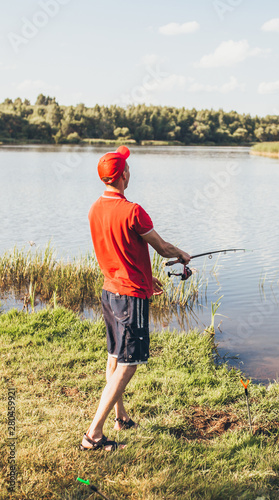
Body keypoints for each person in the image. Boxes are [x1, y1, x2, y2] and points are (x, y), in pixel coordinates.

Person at [80, 146, 191, 451]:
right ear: (123, 175)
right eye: (127, 166)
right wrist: (181, 254)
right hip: (130, 298)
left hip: (111, 290)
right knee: (129, 364)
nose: (130, 170)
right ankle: (94, 435)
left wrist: (145, 276)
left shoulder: (94, 208)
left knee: (115, 355)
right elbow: (163, 248)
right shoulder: (133, 211)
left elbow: (119, 250)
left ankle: (121, 417)